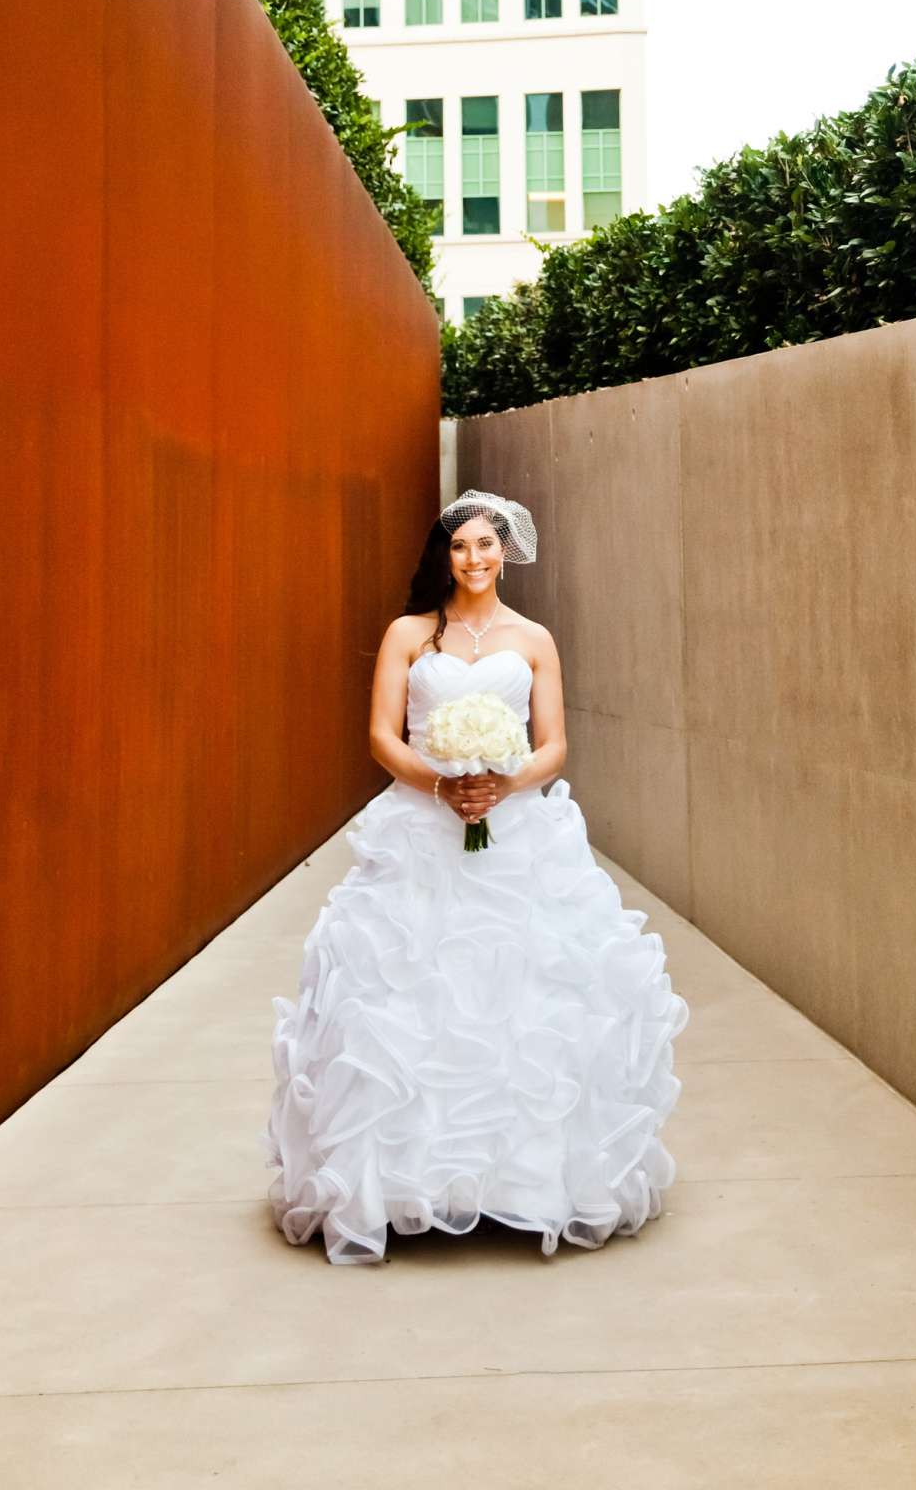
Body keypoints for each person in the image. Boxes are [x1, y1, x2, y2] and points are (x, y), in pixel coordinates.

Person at [259, 488, 689, 1263]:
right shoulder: (409, 635)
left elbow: (553, 744)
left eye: (487, 545)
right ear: (444, 556)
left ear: (505, 551)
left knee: (521, 1002)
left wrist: (502, 784)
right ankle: (400, 1185)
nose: (475, 558)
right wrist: (442, 784)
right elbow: (383, 739)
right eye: (461, 547)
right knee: (407, 1000)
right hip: (419, 832)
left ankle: (520, 1184)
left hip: (518, 829)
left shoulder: (534, 640)